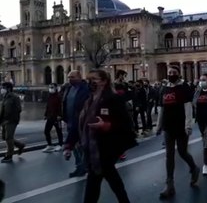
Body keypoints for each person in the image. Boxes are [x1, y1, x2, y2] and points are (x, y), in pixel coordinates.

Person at [64, 69, 137, 203]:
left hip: (107, 147)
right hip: (92, 148)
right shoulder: (88, 100)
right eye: (89, 79)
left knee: (96, 179)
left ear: (104, 81)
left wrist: (107, 125)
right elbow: (79, 122)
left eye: (95, 79)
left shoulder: (113, 99)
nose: (91, 82)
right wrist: (69, 144)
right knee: (109, 178)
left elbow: (125, 123)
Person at [155, 65, 200, 199]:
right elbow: (161, 109)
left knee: (182, 151)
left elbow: (188, 107)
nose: (171, 74)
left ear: (179, 74)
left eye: (174, 72)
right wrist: (158, 126)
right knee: (169, 155)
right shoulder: (164, 88)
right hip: (168, 126)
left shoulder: (184, 87)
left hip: (181, 126)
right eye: (169, 72)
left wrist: (188, 125)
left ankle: (194, 168)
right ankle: (169, 185)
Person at [62, 70, 90, 177]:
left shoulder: (86, 89)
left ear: (79, 77)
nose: (70, 79)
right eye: (69, 77)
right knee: (74, 146)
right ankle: (80, 166)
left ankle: (83, 166)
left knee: (81, 146)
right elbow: (65, 103)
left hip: (82, 122)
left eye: (72, 77)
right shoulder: (68, 89)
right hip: (70, 121)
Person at [0, 82, 25, 163]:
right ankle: (20, 145)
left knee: (8, 137)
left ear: (8, 88)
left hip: (11, 121)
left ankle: (9, 155)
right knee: (5, 137)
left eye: (3, 87)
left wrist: (11, 117)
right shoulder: (5, 97)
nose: (1, 89)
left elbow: (19, 109)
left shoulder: (14, 97)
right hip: (3, 120)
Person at [42, 83, 64, 153]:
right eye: (50, 87)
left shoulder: (59, 96)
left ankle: (60, 144)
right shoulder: (49, 96)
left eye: (52, 87)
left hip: (57, 117)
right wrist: (45, 115)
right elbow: (48, 106)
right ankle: (50, 145)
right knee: (46, 131)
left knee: (59, 131)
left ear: (56, 88)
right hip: (50, 117)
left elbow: (61, 107)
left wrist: (60, 115)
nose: (51, 88)